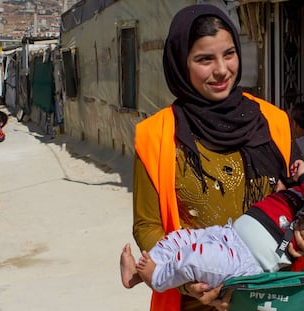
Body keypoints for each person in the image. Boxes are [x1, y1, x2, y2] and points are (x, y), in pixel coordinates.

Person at [132, 4, 304, 311]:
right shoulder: (155, 135)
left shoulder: (274, 122)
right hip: (197, 303)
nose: (222, 70)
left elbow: (297, 196)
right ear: (180, 63)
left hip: (274, 297)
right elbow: (147, 225)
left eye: (229, 54)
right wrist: (189, 282)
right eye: (204, 59)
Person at [122, 160, 304, 293]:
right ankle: (138, 274)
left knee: (195, 258)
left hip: (245, 262)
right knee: (179, 239)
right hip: (229, 233)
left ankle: (157, 279)